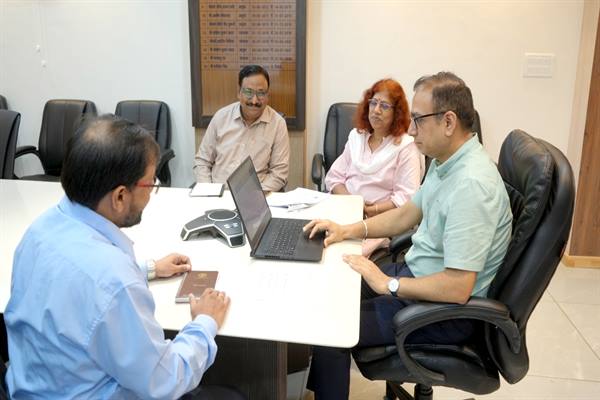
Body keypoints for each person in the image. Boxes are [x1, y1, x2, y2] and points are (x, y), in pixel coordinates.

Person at [303, 72, 513, 399]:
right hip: (417, 276)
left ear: (448, 122)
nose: (411, 130)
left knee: (331, 327)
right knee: (331, 287)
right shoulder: (446, 163)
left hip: (440, 311)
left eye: (418, 120)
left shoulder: (472, 185)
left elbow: (458, 287)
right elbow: (406, 214)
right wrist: (349, 229)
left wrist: (388, 284)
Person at [4, 115, 243, 399]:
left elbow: (77, 284)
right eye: (150, 184)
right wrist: (205, 321)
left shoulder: (39, 231)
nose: (153, 192)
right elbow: (164, 382)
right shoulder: (113, 279)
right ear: (119, 196)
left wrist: (149, 269)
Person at [324, 78, 423, 257]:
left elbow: (407, 198)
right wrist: (354, 203)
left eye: (384, 106)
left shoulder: (406, 147)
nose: (376, 110)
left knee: (341, 256)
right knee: (317, 241)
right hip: (345, 210)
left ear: (397, 113)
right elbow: (334, 178)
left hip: (379, 223)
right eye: (373, 103)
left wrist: (372, 209)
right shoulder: (357, 137)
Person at [194, 64, 290, 192]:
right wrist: (209, 191)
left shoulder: (278, 124)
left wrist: (256, 195)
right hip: (217, 193)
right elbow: (203, 161)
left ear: (268, 95)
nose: (254, 101)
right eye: (248, 92)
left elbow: (279, 173)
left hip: (255, 195)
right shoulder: (221, 117)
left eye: (261, 93)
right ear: (239, 93)